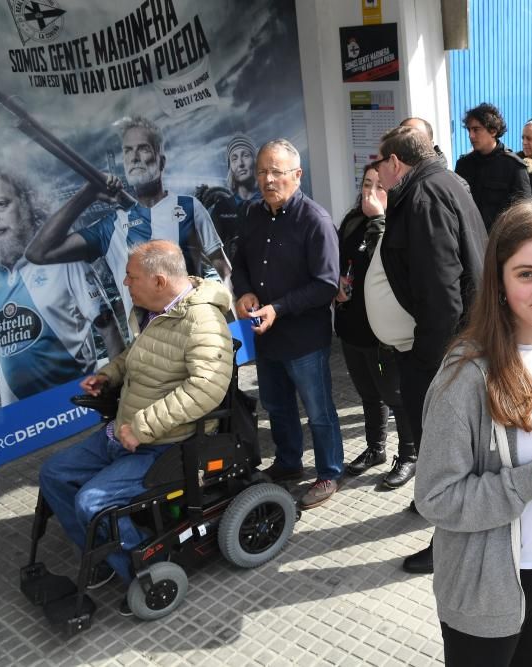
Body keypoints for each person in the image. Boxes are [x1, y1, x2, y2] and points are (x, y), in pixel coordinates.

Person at [415, 200, 532, 667]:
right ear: (499, 279)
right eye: (527, 274)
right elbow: (435, 496)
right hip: (490, 586)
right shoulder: (467, 374)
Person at [38, 239, 233, 613]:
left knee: (92, 501)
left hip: (166, 444)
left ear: (159, 281)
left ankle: (144, 574)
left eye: (131, 277)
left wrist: (142, 427)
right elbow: (138, 355)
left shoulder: (202, 321)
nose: (125, 284)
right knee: (54, 473)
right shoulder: (156, 311)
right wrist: (109, 375)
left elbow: (206, 389)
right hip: (125, 432)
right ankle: (100, 556)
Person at [367, 125, 487, 574]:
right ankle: (437, 507)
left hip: (442, 349)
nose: (376, 172)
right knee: (444, 446)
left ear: (396, 162)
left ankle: (450, 541)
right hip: (450, 342)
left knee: (446, 446)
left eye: (379, 164)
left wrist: (429, 357)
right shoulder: (441, 181)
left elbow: (442, 291)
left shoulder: (424, 196)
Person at [25, 116, 231, 323]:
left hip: (197, 337)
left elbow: (225, 272)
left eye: (143, 149)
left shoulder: (189, 207)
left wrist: (237, 334)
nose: (134, 157)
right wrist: (87, 194)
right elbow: (38, 253)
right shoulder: (110, 227)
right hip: (148, 349)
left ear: (161, 161)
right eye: (128, 151)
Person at [233, 139, 344, 509]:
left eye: (276, 172)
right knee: (276, 405)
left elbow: (327, 284)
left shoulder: (315, 220)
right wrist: (244, 292)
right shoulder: (252, 214)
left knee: (318, 410)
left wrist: (278, 308)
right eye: (262, 171)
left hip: (304, 337)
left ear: (297, 175)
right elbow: (240, 264)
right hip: (265, 336)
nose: (267, 179)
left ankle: (329, 472)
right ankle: (288, 462)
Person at [0, 164, 124, 409]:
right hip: (20, 421)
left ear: (25, 205)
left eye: (1, 204)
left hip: (77, 406)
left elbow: (108, 328)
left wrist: (120, 392)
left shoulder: (63, 259)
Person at [334, 164, 415, 487]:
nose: (370, 192)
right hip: (351, 323)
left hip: (381, 330)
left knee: (394, 395)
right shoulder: (352, 221)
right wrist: (334, 284)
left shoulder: (396, 225)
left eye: (379, 186)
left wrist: (379, 218)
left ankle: (408, 455)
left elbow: (389, 265)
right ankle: (375, 447)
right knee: (368, 393)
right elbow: (338, 260)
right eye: (367, 184)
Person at [455, 103, 532, 232]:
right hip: (470, 240)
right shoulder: (464, 165)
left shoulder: (514, 166)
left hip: (501, 242)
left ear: (493, 131)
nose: (471, 136)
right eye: (469, 130)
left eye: (476, 129)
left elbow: (524, 213)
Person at [209, 134, 262, 263]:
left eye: (245, 155)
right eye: (234, 158)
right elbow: (214, 254)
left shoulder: (270, 203)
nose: (241, 163)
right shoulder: (221, 208)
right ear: (230, 168)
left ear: (255, 161)